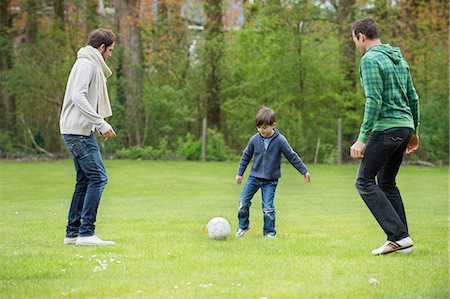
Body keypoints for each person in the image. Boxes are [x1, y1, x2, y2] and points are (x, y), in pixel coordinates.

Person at [350, 19, 420, 255]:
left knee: (364, 181)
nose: (356, 45)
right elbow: (413, 98)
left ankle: (397, 236)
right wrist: (414, 130)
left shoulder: (369, 59)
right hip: (404, 127)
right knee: (387, 182)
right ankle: (403, 242)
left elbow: (374, 101)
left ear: (361, 36)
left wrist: (362, 137)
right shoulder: (399, 59)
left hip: (387, 128)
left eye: (355, 40)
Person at [60, 29, 117, 246]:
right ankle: (86, 233)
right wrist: (101, 122)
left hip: (79, 131)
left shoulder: (88, 63)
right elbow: (78, 96)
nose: (110, 54)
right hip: (78, 133)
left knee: (84, 181)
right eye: (110, 50)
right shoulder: (87, 64)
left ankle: (72, 233)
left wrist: (96, 125)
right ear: (101, 48)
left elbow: (85, 99)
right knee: (99, 178)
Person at [235, 107, 311, 238]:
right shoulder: (254, 139)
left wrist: (304, 170)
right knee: (243, 202)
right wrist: (240, 173)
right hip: (254, 177)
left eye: (264, 128)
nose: (261, 131)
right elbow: (246, 156)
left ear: (273, 125)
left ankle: (269, 233)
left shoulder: (280, 140)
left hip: (270, 180)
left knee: (268, 208)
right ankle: (243, 226)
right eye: (259, 128)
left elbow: (292, 156)